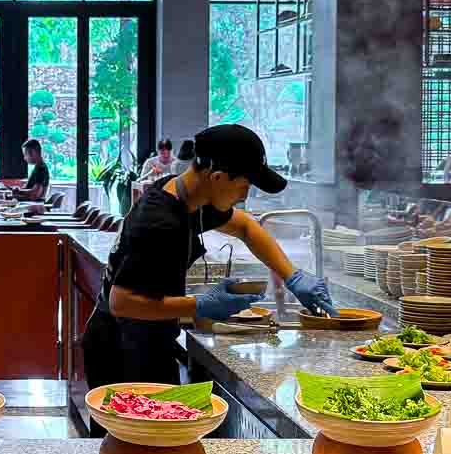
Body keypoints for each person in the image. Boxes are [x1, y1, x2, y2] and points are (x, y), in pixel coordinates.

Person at [81, 123, 336, 390]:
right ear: (217, 178)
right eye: (244, 186)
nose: (244, 196)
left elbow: (245, 226)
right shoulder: (160, 221)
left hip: (146, 337)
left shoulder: (190, 199)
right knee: (135, 432)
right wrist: (199, 304)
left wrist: (291, 276)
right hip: (122, 349)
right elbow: (121, 301)